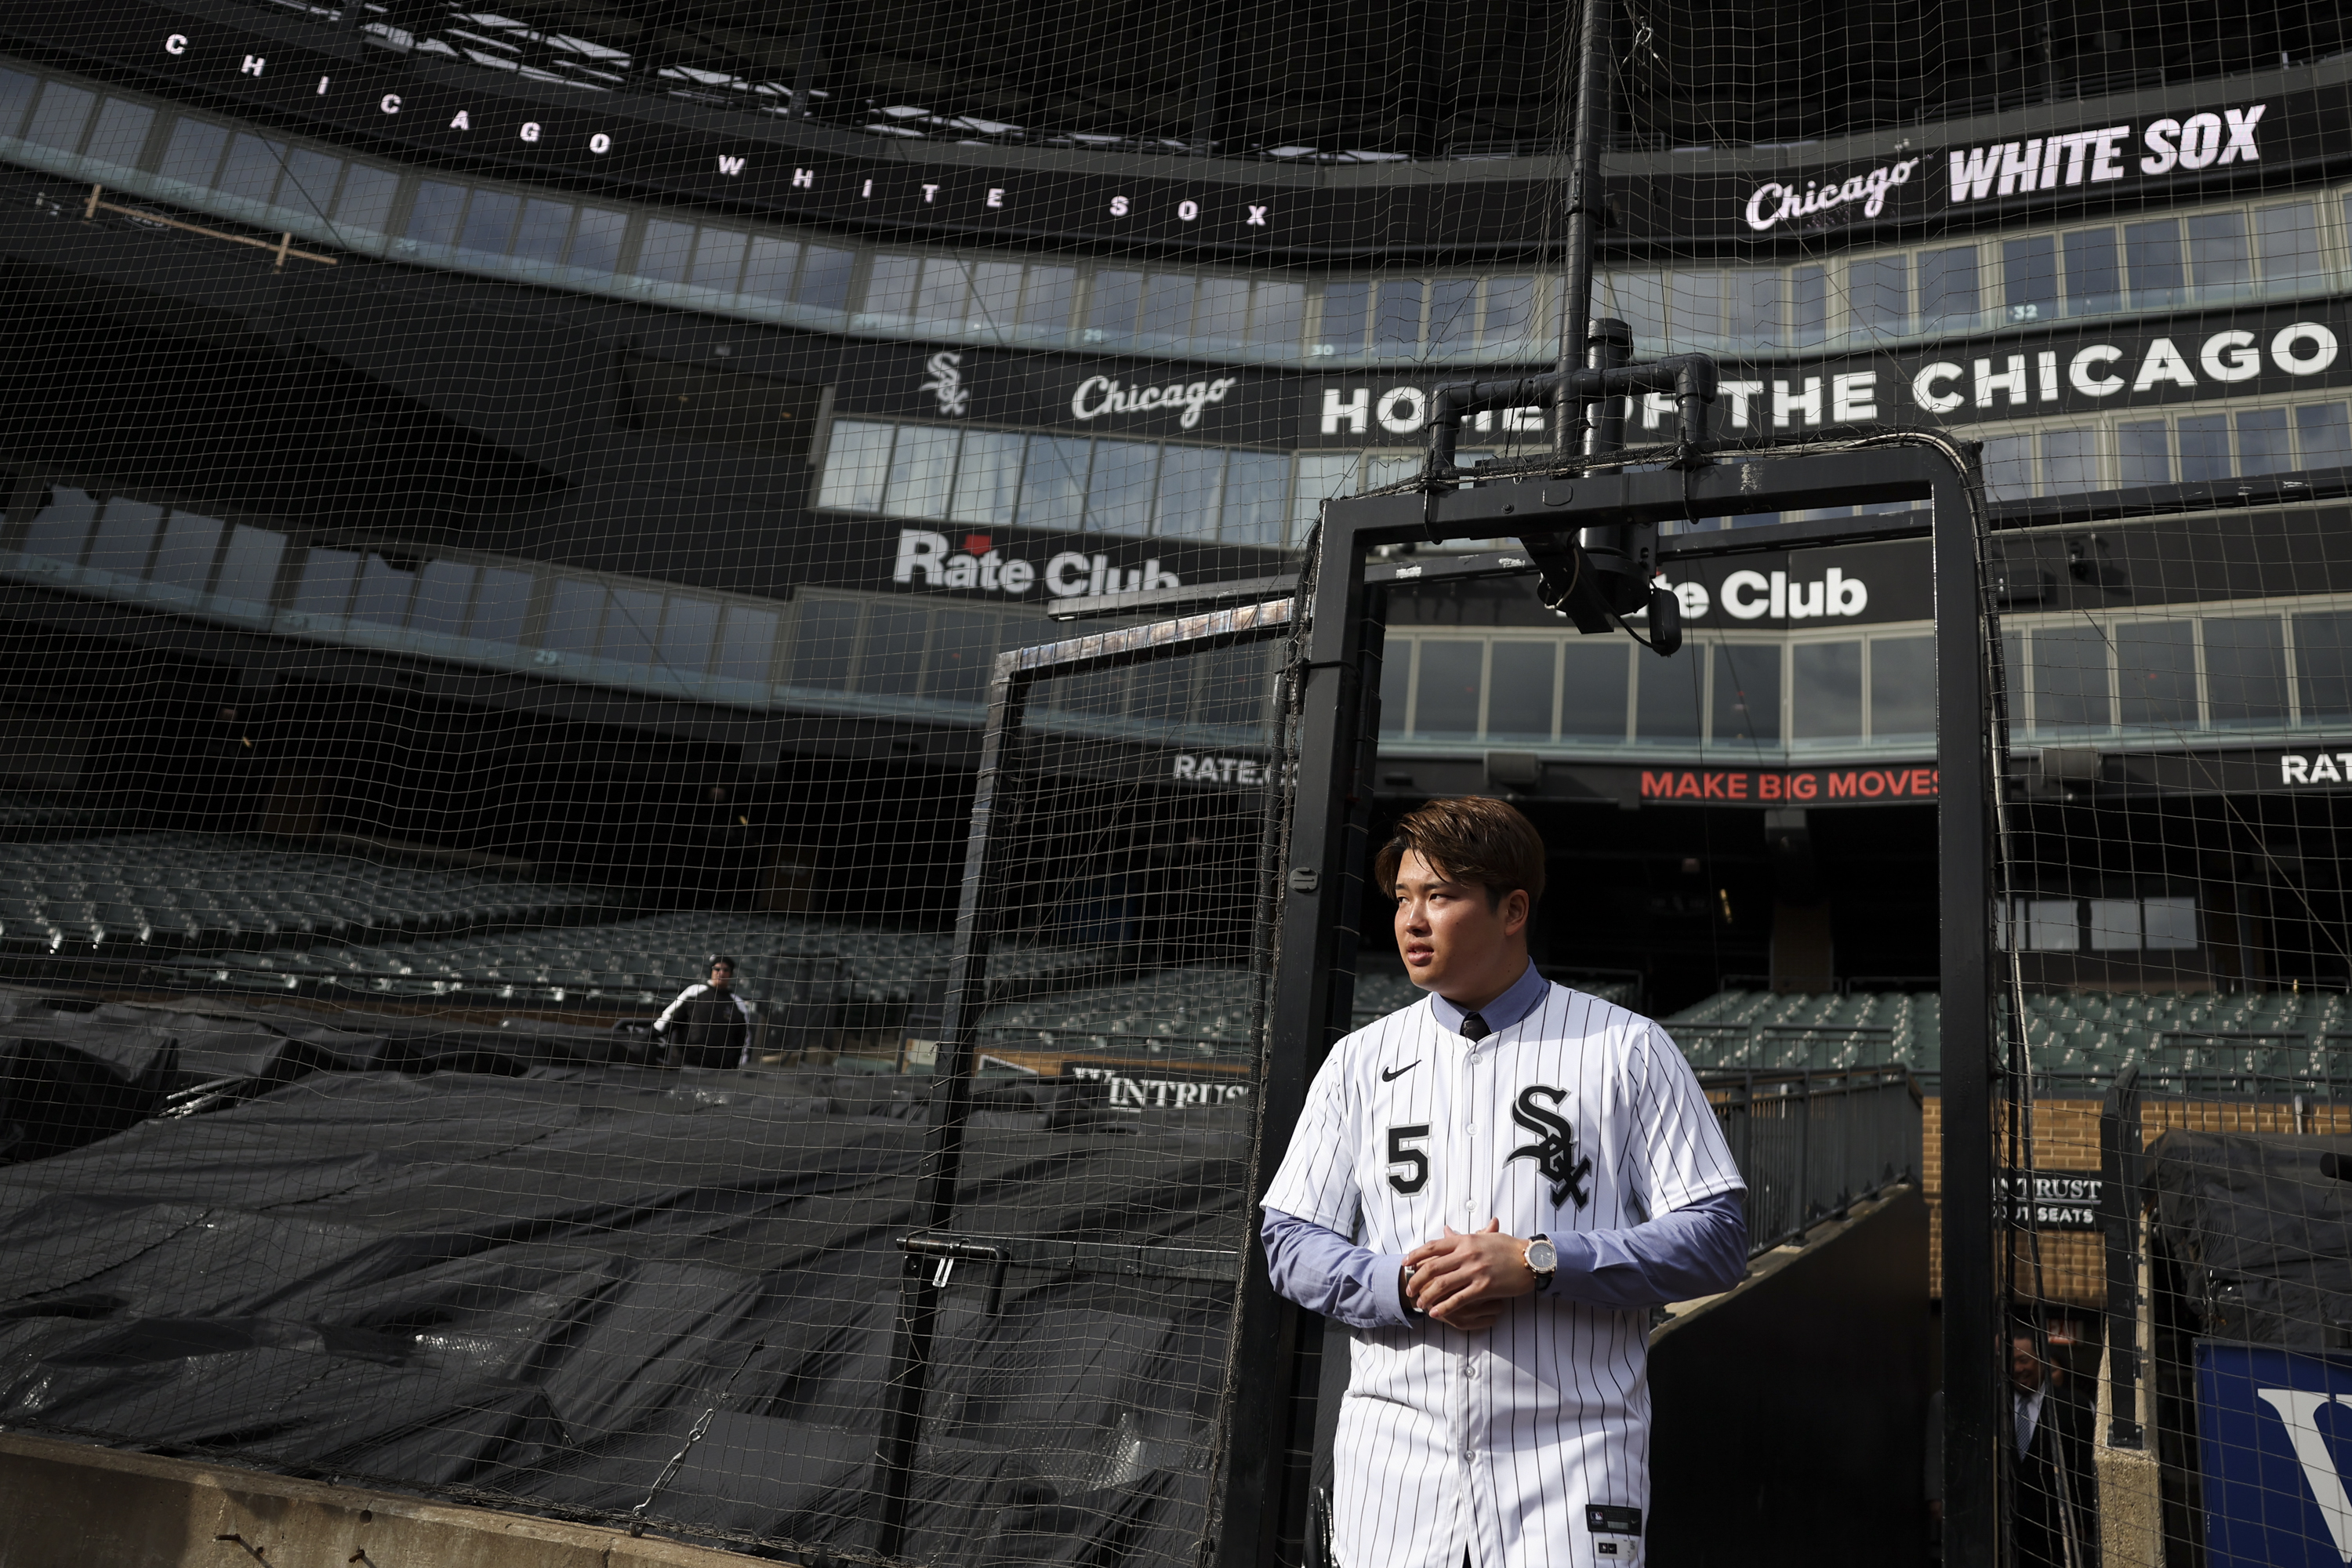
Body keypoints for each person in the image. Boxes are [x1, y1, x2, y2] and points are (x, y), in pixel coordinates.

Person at [1261, 796, 1748, 1568]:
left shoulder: (1628, 1047)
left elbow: (1717, 1239)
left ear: (1512, 907)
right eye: (1403, 898)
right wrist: (1401, 1279)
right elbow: (1288, 1238)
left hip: (1569, 1460)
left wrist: (1541, 1262)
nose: (1412, 919)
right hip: (1396, 1465)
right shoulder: (1359, 1060)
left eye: (1441, 895)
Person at [2010, 1325, 2093, 1568]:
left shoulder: (2073, 1406)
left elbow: (2084, 1468)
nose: (2018, 1369)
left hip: (2057, 1534)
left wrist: (2082, 1523)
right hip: (2007, 1531)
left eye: (2024, 1360)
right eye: (2011, 1361)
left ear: (2041, 1361)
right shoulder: (1995, 1404)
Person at [654, 955, 757, 1068]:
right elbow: (670, 1018)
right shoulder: (694, 992)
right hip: (688, 1064)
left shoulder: (738, 1003)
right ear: (711, 971)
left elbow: (743, 1037)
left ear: (731, 974)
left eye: (725, 970)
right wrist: (652, 1033)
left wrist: (739, 1063)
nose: (721, 973)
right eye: (717, 969)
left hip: (721, 1070)